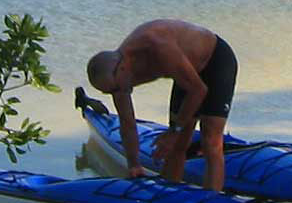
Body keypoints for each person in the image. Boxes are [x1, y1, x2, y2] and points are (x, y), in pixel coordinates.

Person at [86, 19, 238, 191]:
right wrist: (134, 165)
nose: (116, 93)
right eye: (109, 92)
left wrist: (174, 131)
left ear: (122, 68)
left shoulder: (157, 45)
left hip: (215, 62)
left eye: (114, 88)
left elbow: (198, 90)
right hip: (186, 73)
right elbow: (127, 123)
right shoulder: (118, 78)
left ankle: (212, 201)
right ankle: (169, 196)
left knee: (210, 140)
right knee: (178, 144)